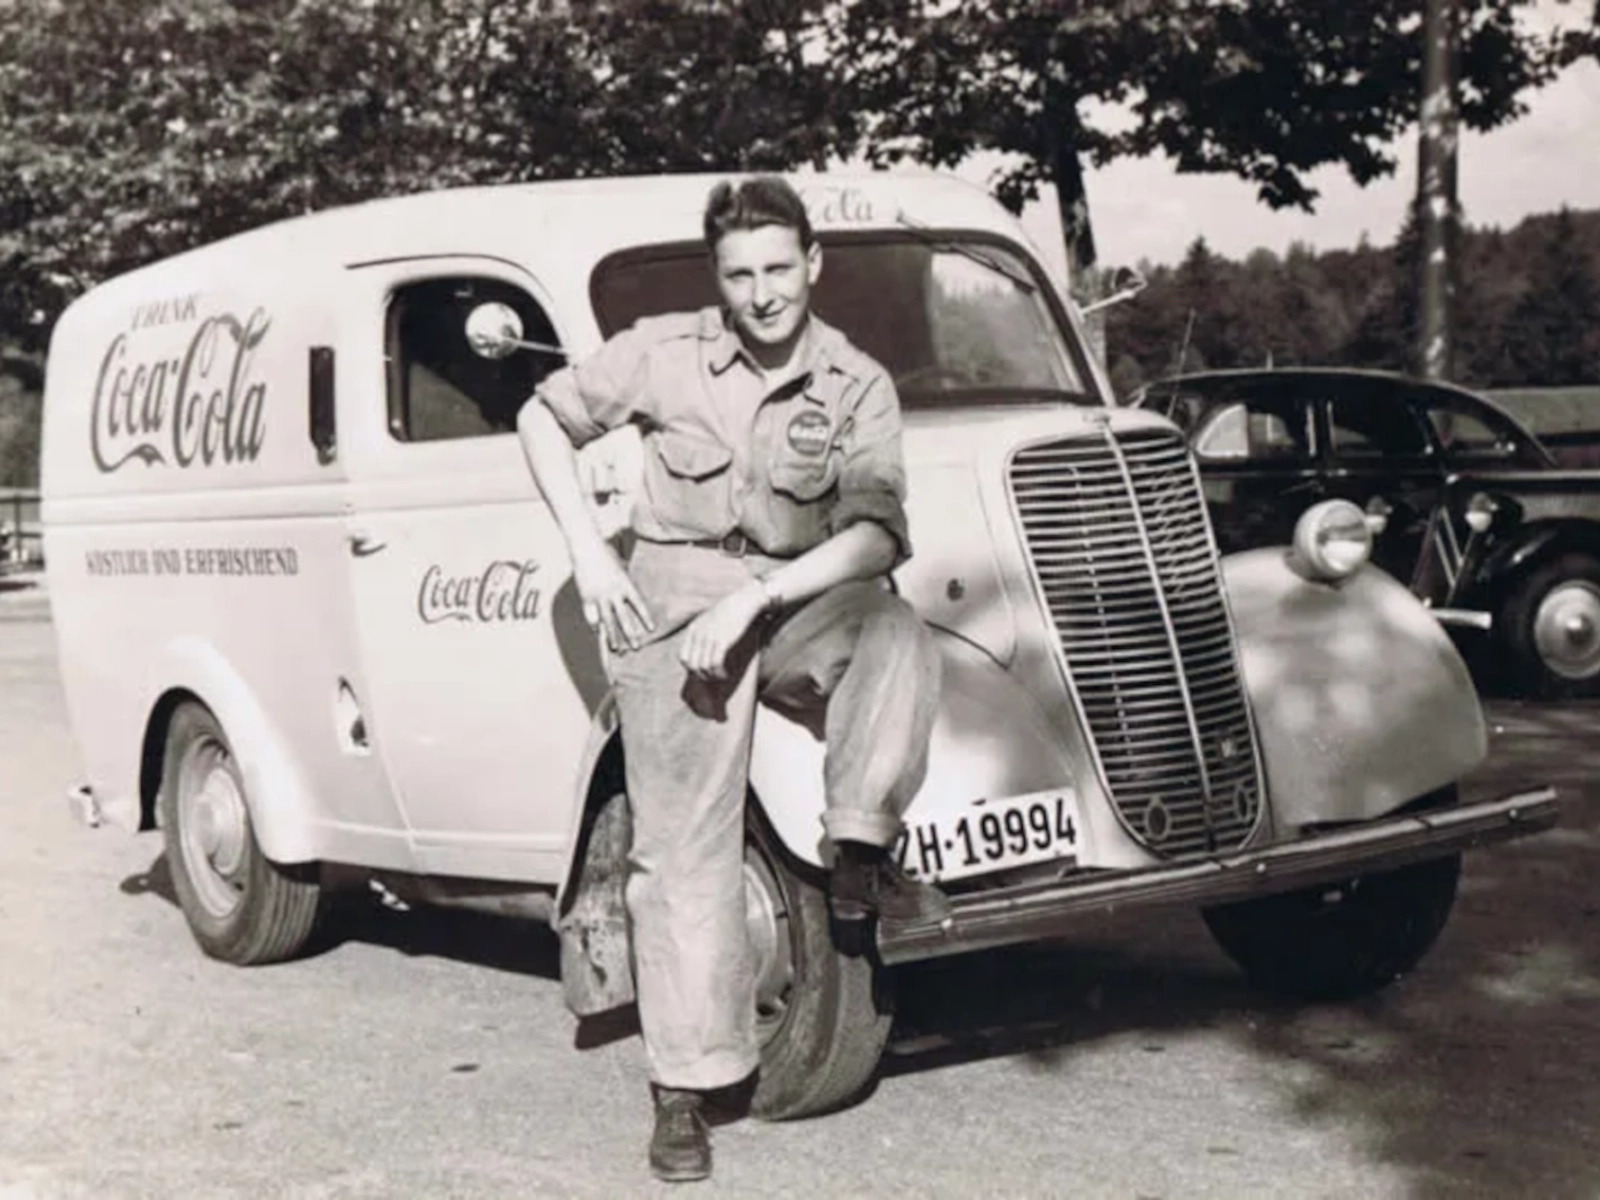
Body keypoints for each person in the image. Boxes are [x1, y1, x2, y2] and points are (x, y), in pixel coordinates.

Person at [516, 176, 947, 1183]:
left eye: (776, 269)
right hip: (671, 595)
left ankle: (857, 854)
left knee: (891, 629)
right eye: (738, 274)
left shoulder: (856, 383)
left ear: (812, 264)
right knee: (682, 849)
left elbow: (876, 533)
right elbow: (544, 417)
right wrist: (589, 551)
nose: (759, 294)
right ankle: (684, 1090)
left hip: (789, 594)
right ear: (719, 278)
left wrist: (756, 602)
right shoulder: (664, 353)